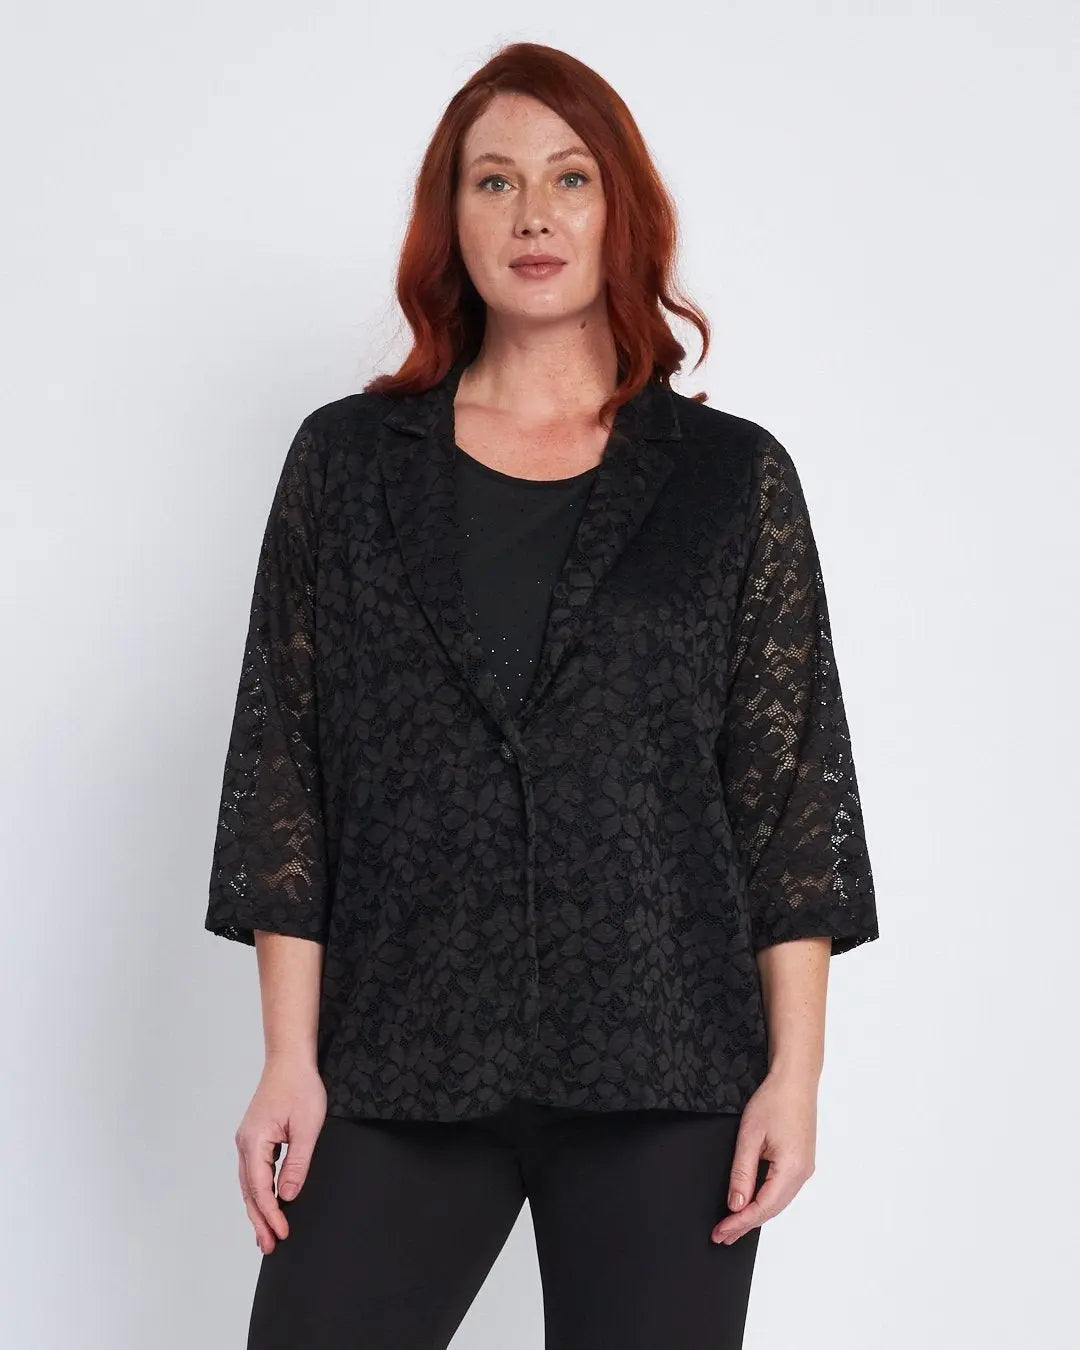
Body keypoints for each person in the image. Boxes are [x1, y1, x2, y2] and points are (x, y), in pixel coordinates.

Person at [204, 40, 880, 1350]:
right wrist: (289, 1055)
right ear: (449, 219)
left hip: (664, 1059)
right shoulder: (347, 465)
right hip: (400, 1047)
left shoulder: (729, 480)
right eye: (495, 181)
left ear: (622, 211)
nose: (533, 215)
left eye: (570, 179)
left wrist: (795, 1076)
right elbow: (285, 770)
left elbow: (790, 802)